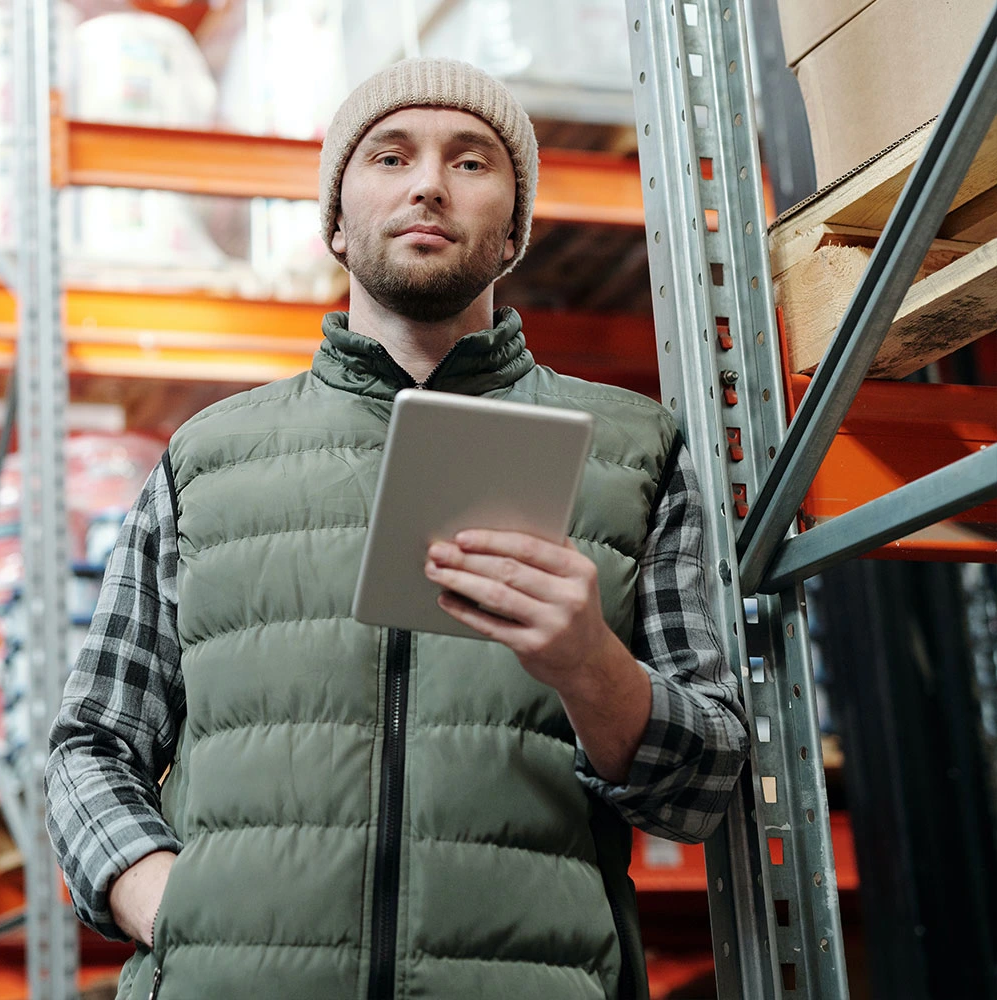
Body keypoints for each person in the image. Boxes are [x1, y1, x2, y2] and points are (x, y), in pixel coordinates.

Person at [45, 57, 748, 1000]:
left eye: (470, 162)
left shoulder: (633, 453)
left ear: (514, 230)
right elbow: (93, 740)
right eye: (388, 156)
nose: (427, 183)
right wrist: (163, 901)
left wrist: (591, 666)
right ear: (335, 222)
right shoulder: (208, 459)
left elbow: (701, 789)